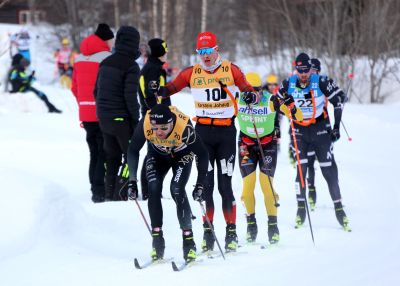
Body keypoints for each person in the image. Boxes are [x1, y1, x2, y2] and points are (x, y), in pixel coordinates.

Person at [159, 31, 258, 252]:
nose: (205, 56)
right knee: (206, 185)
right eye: (200, 52)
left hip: (225, 133)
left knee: (225, 186)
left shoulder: (231, 69)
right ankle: (208, 232)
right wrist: (160, 90)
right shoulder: (191, 72)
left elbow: (249, 90)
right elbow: (171, 88)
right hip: (202, 134)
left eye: (208, 51)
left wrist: (251, 96)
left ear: (216, 49)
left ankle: (231, 232)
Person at [127, 104, 209, 263]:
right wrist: (132, 180)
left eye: (164, 128)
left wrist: (200, 184)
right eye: (155, 128)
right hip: (157, 155)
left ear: (172, 123)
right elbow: (132, 150)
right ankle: (157, 241)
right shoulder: (145, 122)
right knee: (153, 187)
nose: (159, 132)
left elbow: (203, 154)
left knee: (177, 189)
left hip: (182, 155)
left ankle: (188, 242)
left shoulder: (184, 128)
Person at [277, 53, 350, 230]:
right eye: (300, 71)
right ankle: (301, 209)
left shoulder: (321, 81)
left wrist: (336, 128)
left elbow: (338, 102)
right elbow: (276, 103)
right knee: (301, 170)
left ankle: (339, 210)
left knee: (328, 169)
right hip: (299, 131)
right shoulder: (289, 83)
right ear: (296, 70)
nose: (304, 74)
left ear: (311, 69)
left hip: (320, 129)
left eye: (306, 71)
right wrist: (278, 124)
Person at [238, 72, 302, 245]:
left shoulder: (271, 100)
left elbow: (298, 117)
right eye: (248, 91)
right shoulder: (237, 99)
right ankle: (251, 224)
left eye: (256, 90)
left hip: (267, 145)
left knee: (266, 185)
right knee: (247, 188)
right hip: (245, 145)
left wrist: (291, 106)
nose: (253, 95)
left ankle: (273, 225)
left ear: (262, 89)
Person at [94, 26, 141, 201]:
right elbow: (130, 97)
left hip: (104, 118)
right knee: (131, 156)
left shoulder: (106, 62)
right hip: (121, 119)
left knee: (111, 156)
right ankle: (120, 193)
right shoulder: (131, 66)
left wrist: (103, 110)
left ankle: (109, 193)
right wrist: (135, 120)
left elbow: (95, 91)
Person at [71, 23, 114, 203]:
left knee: (94, 152)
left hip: (86, 113)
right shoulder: (107, 58)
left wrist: (83, 104)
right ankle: (99, 190)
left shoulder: (79, 58)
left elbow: (74, 87)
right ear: (106, 40)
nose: (113, 43)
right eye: (111, 40)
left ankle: (94, 187)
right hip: (102, 112)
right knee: (104, 152)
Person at [137, 38, 171, 200]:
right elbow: (149, 97)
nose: (167, 52)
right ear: (158, 52)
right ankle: (148, 191)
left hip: (160, 118)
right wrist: (159, 115)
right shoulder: (152, 69)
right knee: (153, 154)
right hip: (154, 119)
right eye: (165, 49)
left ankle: (152, 190)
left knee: (159, 153)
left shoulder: (156, 68)